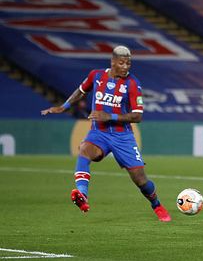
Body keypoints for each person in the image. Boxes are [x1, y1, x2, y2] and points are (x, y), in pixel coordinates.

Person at [41, 46, 171, 222]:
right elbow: (81, 90)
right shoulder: (96, 75)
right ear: (112, 62)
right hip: (99, 133)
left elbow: (138, 116)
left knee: (140, 180)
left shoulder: (133, 84)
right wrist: (63, 106)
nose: (126, 66)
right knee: (85, 149)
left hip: (122, 137)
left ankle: (156, 204)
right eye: (121, 62)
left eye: (128, 63)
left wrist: (110, 116)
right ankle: (83, 195)